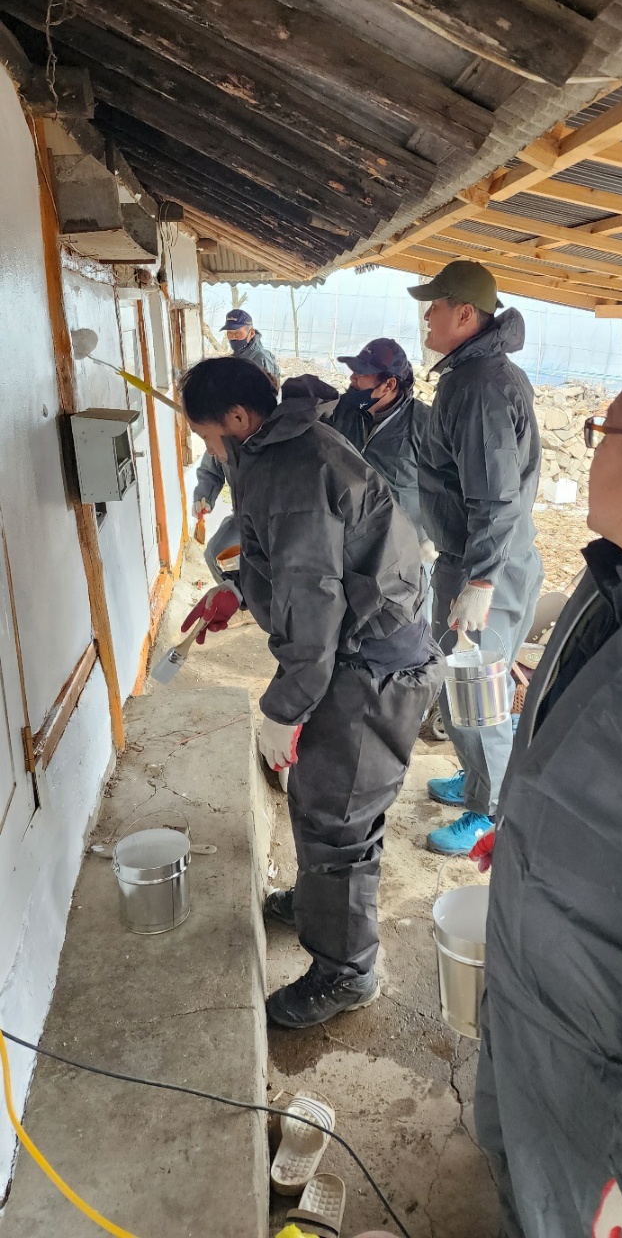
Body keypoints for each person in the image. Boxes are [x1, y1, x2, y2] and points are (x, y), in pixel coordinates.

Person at [475, 336, 622, 1238]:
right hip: (539, 998)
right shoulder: (615, 581)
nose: (587, 449)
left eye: (601, 431)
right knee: (519, 1179)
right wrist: (521, 829)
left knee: (566, 1205)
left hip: (606, 1067)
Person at [179, 358, 441, 1029]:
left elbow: (312, 608)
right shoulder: (283, 444)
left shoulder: (292, 469)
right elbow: (291, 560)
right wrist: (237, 592)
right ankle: (317, 904)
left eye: (207, 437)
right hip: (359, 650)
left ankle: (347, 972)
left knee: (339, 820)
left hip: (373, 668)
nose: (211, 451)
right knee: (323, 799)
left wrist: (283, 708)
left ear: (239, 418)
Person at [407, 260, 543, 855]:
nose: (426, 318)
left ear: (465, 314)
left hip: (486, 566)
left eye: (434, 307)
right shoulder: (475, 374)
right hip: (477, 559)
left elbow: (494, 497)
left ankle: (490, 814)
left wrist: (481, 581)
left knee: (481, 695)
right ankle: (476, 780)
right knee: (464, 689)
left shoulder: (480, 385)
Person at [326, 338, 435, 575]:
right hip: (345, 540)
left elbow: (449, 484)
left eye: (362, 373)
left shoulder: (426, 425)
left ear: (389, 384)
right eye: (354, 371)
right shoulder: (342, 411)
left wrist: (431, 537)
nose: (352, 378)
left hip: (400, 547)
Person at [192, 308, 280, 582]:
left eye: (237, 332)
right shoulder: (226, 438)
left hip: (273, 530)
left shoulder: (260, 361)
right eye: (229, 333)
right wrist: (204, 495)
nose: (232, 338)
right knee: (215, 555)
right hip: (244, 517)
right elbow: (213, 463)